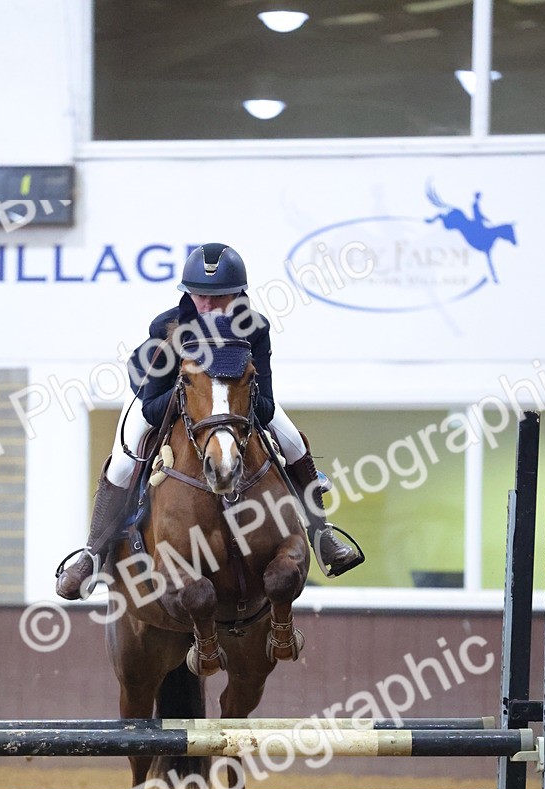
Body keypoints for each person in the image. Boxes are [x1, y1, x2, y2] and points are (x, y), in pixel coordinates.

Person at [56, 242, 361, 599]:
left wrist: (232, 405)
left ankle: (321, 534)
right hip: (157, 396)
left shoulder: (255, 328)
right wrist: (189, 395)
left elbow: (264, 404)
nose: (207, 304)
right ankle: (93, 554)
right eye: (200, 295)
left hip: (233, 402)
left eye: (218, 297)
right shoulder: (167, 327)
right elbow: (152, 406)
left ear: (238, 295)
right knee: (123, 464)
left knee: (293, 442)